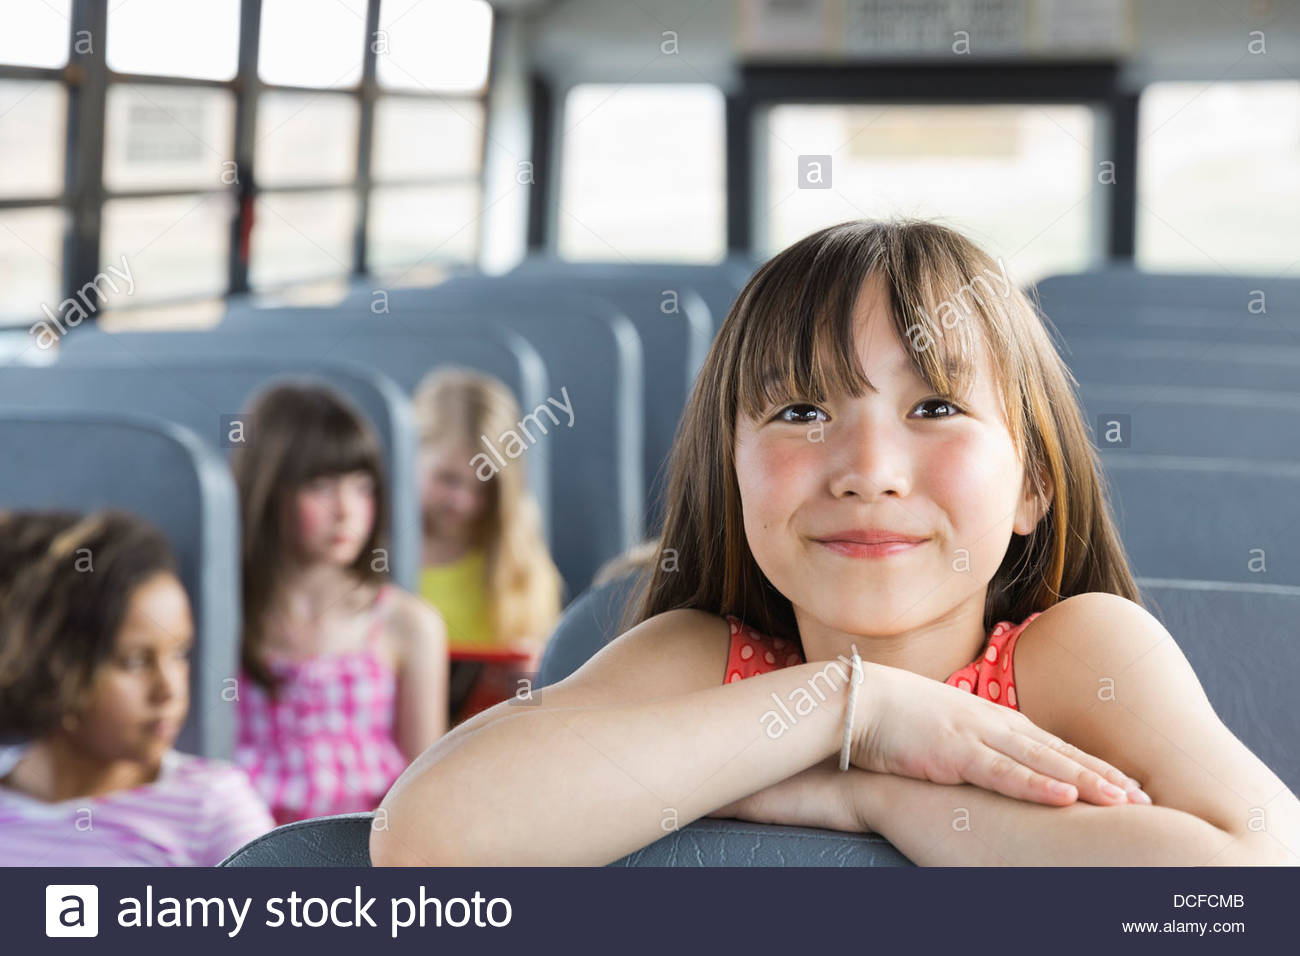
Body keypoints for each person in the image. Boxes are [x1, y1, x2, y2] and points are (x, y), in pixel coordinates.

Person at [370, 220, 1300, 866]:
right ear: (730, 478)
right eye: (801, 410)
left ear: (1033, 485)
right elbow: (427, 838)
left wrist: (869, 795)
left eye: (934, 407)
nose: (867, 469)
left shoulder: (1078, 652)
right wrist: (843, 708)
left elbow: (1255, 882)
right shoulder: (706, 660)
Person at [0, 511, 274, 866]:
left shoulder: (211, 810)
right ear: (51, 665)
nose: (169, 689)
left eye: (179, 654)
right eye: (134, 662)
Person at [232, 382, 447, 826]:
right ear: (270, 490)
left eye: (362, 487)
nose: (347, 510)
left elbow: (426, 793)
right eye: (320, 486)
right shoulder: (223, 620)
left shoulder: (407, 624)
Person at [412, 367, 562, 670]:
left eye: (484, 487)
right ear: (410, 455)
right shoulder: (372, 545)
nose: (464, 502)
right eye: (448, 479)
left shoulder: (521, 560)